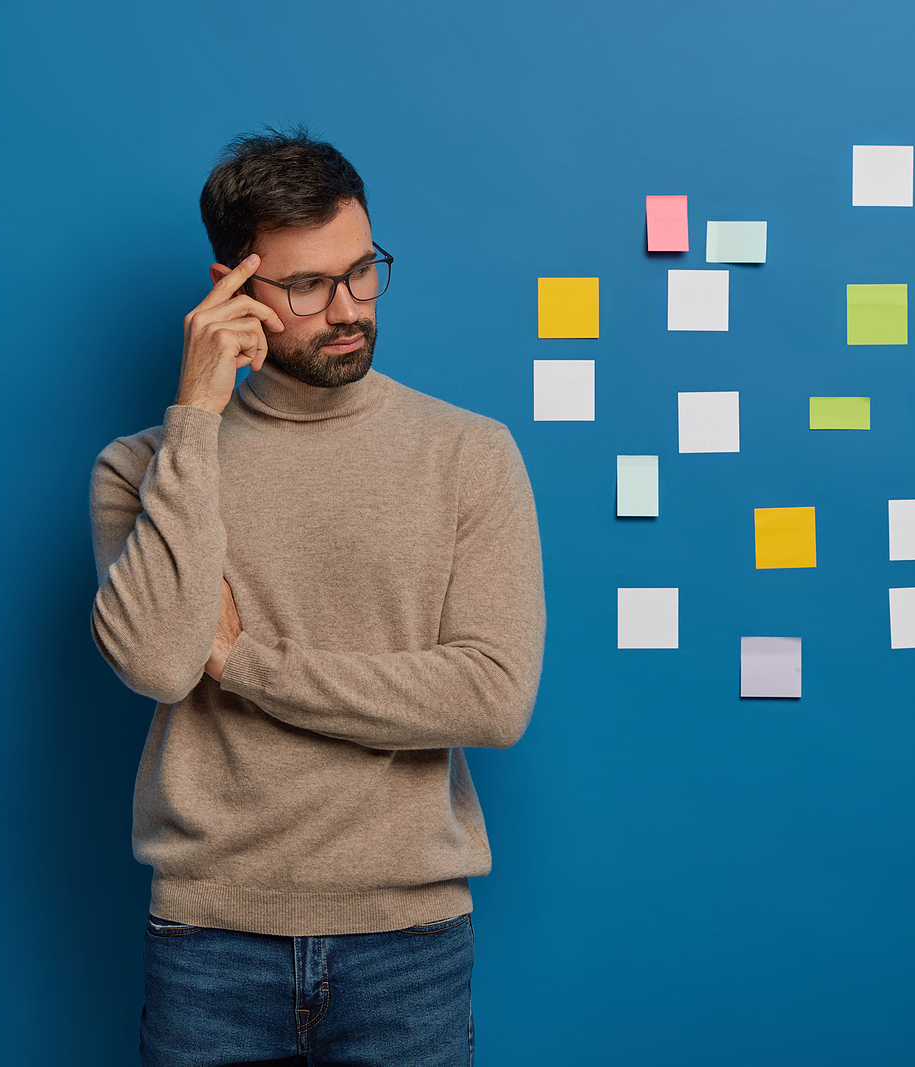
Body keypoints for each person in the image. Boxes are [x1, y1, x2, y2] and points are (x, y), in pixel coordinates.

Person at [88, 128, 545, 1066]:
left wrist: (243, 660)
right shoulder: (142, 468)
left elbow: (492, 698)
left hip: (408, 944)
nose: (347, 310)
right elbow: (160, 659)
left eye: (362, 270)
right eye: (305, 286)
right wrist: (196, 418)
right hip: (208, 943)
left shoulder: (470, 454)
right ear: (230, 290)